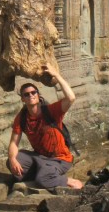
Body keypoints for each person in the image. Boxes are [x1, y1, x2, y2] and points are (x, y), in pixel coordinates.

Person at [7, 63, 83, 191]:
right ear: (23, 99)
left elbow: (71, 98)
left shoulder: (51, 111)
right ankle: (45, 173)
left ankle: (69, 181)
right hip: (40, 157)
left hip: (60, 159)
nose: (31, 95)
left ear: (38, 95)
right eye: (27, 94)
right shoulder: (21, 118)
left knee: (42, 180)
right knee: (12, 163)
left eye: (33, 92)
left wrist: (56, 75)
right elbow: (14, 143)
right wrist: (12, 159)